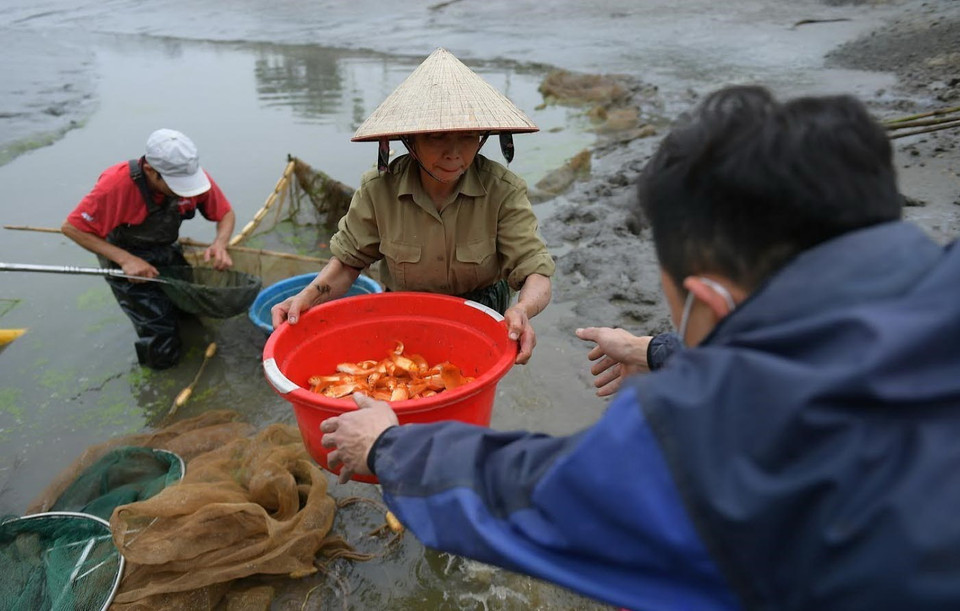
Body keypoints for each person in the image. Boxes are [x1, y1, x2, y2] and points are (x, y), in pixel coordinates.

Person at [318, 84, 960, 610]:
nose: (452, 150)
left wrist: (388, 446)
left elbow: (545, 495)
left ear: (708, 304)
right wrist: (658, 350)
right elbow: (800, 362)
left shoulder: (699, 440)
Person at [271, 48, 555, 364]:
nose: (454, 153)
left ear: (483, 137)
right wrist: (305, 298)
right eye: (435, 137)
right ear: (410, 140)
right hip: (403, 312)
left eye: (468, 136)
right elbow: (348, 262)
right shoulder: (379, 190)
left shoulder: (503, 190)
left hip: (480, 313)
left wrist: (522, 309)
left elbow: (536, 271)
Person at [62, 129, 235, 369]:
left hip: (166, 248)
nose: (185, 191)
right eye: (177, 186)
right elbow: (73, 228)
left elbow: (225, 213)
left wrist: (220, 243)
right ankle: (163, 370)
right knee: (158, 329)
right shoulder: (115, 185)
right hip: (125, 254)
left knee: (187, 310)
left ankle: (195, 357)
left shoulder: (194, 178)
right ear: (151, 171)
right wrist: (125, 260)